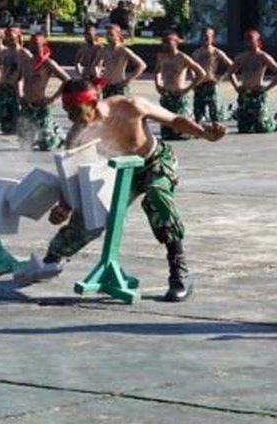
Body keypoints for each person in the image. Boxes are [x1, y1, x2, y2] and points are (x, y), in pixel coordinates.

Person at [15, 78, 226, 302]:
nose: (71, 118)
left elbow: (175, 120)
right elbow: (72, 176)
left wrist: (204, 133)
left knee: (156, 194)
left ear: (93, 103)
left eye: (76, 111)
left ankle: (179, 272)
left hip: (155, 162)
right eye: (67, 111)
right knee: (92, 216)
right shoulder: (77, 135)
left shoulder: (130, 106)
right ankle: (53, 257)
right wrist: (65, 207)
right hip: (122, 173)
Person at [16, 32, 70, 150]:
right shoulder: (25, 62)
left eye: (36, 43)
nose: (32, 46)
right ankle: (51, 126)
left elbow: (66, 79)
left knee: (46, 144)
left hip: (41, 104)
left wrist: (53, 98)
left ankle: (59, 136)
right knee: (24, 142)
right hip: (27, 104)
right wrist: (20, 94)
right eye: (31, 43)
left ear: (43, 44)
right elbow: (19, 79)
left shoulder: (48, 63)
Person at [229, 29, 277, 133]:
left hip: (258, 93)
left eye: (251, 40)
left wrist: (266, 88)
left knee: (261, 127)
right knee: (243, 129)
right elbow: (230, 73)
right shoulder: (241, 57)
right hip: (245, 93)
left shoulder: (263, 57)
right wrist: (236, 86)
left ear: (258, 41)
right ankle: (245, 119)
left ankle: (276, 122)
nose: (249, 43)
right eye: (247, 40)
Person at [153, 32, 207, 140]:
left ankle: (198, 131)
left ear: (176, 43)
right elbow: (157, 71)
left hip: (179, 94)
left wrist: (187, 89)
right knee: (167, 132)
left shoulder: (182, 57)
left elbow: (201, 73)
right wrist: (158, 85)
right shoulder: (161, 57)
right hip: (166, 94)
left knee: (182, 130)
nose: (166, 45)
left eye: (168, 42)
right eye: (164, 42)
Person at [190, 27, 233, 124]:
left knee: (214, 113)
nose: (205, 39)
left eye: (207, 36)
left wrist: (222, 78)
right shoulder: (196, 53)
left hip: (210, 84)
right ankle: (199, 129)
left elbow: (231, 65)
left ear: (212, 38)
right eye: (203, 36)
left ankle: (227, 113)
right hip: (199, 85)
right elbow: (191, 68)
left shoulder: (216, 52)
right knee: (198, 113)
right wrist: (193, 80)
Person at [93, 24, 146, 97]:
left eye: (111, 34)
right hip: (106, 85)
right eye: (107, 34)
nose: (108, 37)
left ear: (118, 36)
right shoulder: (103, 50)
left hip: (119, 85)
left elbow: (142, 65)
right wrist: (98, 77)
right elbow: (95, 65)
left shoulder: (123, 50)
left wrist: (128, 80)